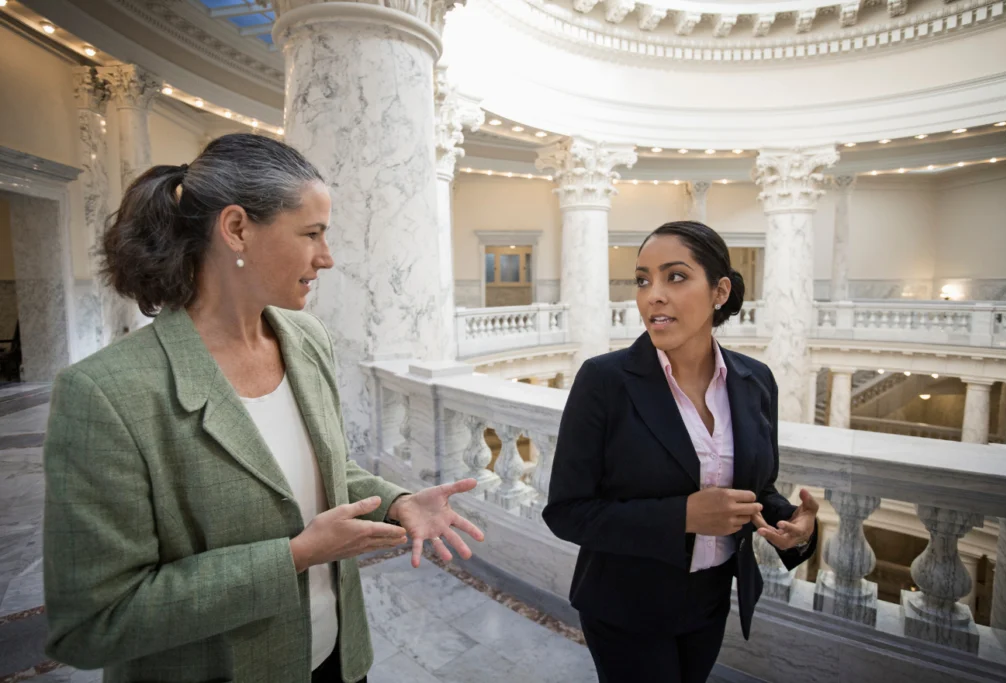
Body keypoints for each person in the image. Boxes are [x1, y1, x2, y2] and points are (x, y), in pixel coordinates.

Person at [42, 133, 484, 683]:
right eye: (312, 233)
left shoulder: (305, 338)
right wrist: (294, 557)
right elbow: (92, 623)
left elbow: (323, 472)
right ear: (236, 229)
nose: (327, 256)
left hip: (336, 661)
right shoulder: (106, 393)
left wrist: (396, 503)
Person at [543, 220, 819, 683]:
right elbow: (567, 512)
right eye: (642, 279)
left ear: (720, 290)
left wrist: (793, 524)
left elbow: (753, 487)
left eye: (675, 276)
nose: (653, 294)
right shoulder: (604, 381)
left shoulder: (756, 381)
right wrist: (684, 517)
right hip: (625, 606)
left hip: (710, 600)